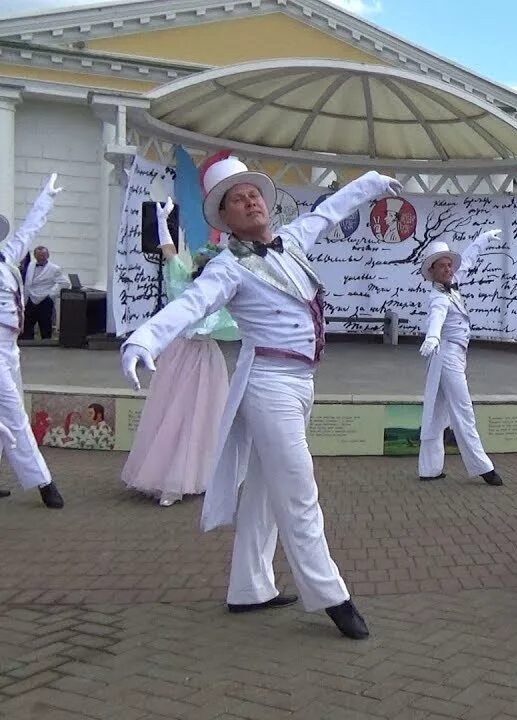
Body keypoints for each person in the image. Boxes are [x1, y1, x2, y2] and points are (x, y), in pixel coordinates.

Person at [120, 156, 401, 639]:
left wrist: (371, 183)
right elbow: (190, 304)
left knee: (268, 494)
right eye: (236, 199)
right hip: (267, 383)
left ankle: (250, 588)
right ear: (224, 218)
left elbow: (329, 211)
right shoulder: (227, 267)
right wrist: (144, 339)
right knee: (299, 491)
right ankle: (332, 596)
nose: (249, 200)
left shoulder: (291, 241)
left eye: (253, 193)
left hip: (301, 384)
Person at [121, 198, 238, 507]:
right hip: (183, 356)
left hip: (203, 359)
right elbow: (169, 251)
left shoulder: (223, 295)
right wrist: (162, 222)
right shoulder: (182, 282)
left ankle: (197, 476)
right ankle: (168, 478)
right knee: (173, 413)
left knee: (203, 416)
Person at [417, 231, 503, 486]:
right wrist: (432, 337)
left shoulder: (452, 286)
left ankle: (429, 468)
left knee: (436, 411)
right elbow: (436, 317)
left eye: (448, 265)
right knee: (463, 411)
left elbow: (466, 262)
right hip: (446, 356)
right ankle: (483, 467)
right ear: (431, 271)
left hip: (454, 355)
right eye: (441, 266)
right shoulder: (438, 298)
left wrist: (482, 240)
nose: (448, 269)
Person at [0, 173, 65, 508]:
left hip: (10, 348)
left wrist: (47, 198)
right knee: (14, 416)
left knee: (12, 410)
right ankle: (44, 482)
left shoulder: (8, 255)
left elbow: (29, 229)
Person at [21, 245, 70, 340]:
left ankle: (46, 345)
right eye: (39, 255)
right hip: (30, 299)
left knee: (45, 325)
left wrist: (51, 293)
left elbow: (65, 283)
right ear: (35, 256)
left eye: (44, 255)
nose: (42, 257)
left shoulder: (54, 268)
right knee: (27, 324)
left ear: (48, 255)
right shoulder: (30, 266)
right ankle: (28, 344)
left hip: (45, 300)